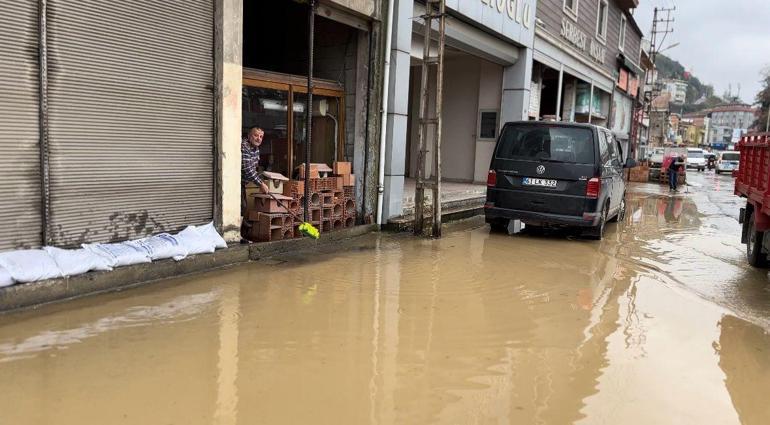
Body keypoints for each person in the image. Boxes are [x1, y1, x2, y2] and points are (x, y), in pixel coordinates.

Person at [241, 127, 269, 217]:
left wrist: (261, 181)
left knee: (243, 207)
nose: (259, 138)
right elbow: (248, 169)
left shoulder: (256, 149)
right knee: (242, 207)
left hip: (242, 183)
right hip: (234, 182)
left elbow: (254, 169)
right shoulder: (244, 146)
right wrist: (260, 184)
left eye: (261, 136)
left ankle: (243, 226)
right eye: (256, 135)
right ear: (249, 136)